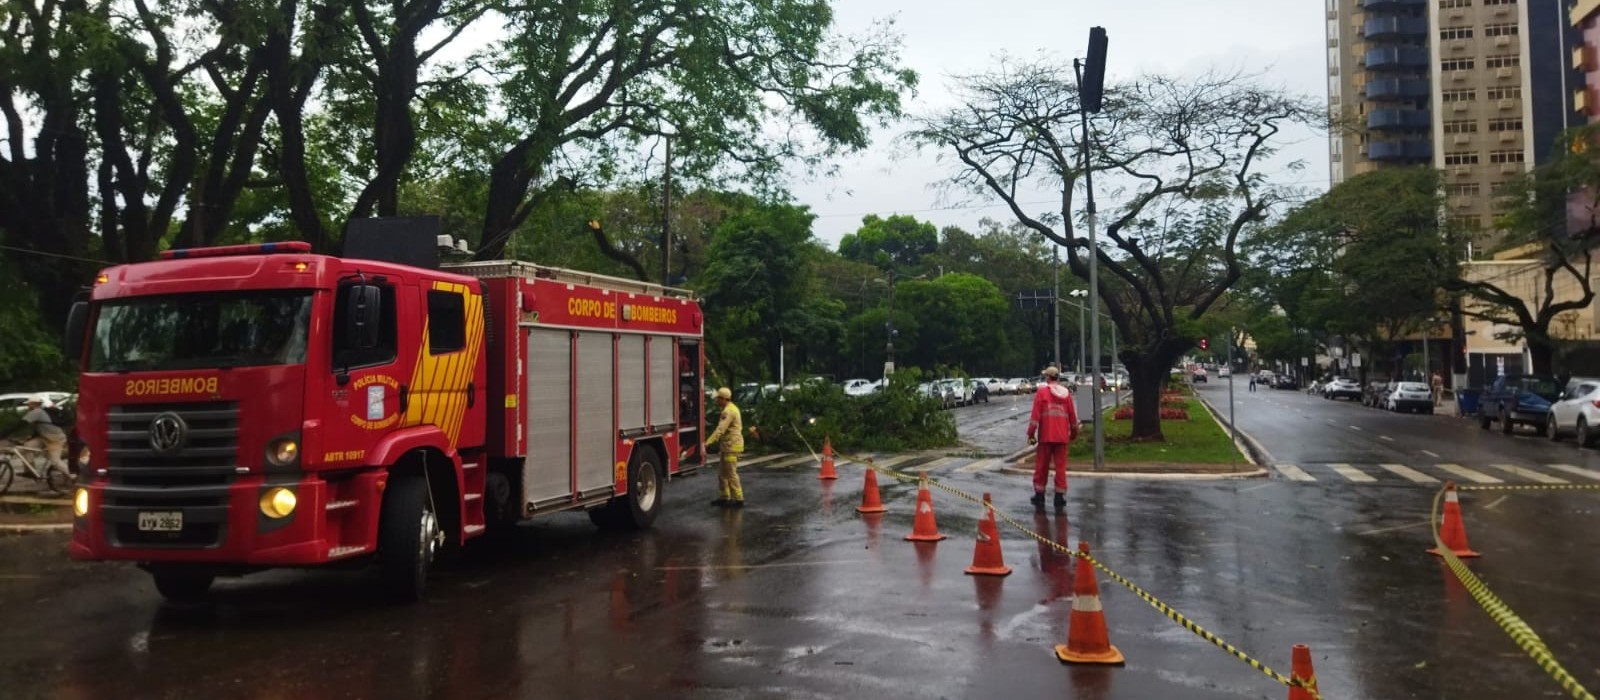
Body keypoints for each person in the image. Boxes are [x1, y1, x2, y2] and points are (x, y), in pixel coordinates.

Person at [1026, 366, 1079, 510]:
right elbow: (1073, 417)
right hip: (1062, 437)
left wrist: (1031, 434)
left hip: (1046, 436)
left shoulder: (1042, 393)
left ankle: (1039, 494)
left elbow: (1035, 417)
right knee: (1060, 467)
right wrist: (1073, 434)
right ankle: (1059, 496)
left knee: (1042, 466)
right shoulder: (1066, 394)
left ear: (1048, 378)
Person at [704, 387, 745, 508]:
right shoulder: (731, 408)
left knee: (731, 473)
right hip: (727, 446)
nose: (717, 401)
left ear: (723, 399)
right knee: (722, 473)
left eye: (718, 398)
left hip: (731, 447)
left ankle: (738, 499)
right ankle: (725, 497)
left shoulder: (728, 411)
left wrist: (708, 442)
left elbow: (721, 429)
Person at [19, 395, 68, 474]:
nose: (28, 406)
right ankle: (30, 470)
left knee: (55, 461)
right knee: (27, 446)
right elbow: (39, 429)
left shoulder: (37, 411)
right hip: (44, 437)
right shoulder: (39, 412)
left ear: (34, 404)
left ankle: (74, 477)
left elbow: (21, 424)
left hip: (55, 439)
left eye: (29, 404)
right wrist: (31, 438)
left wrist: (3, 434)